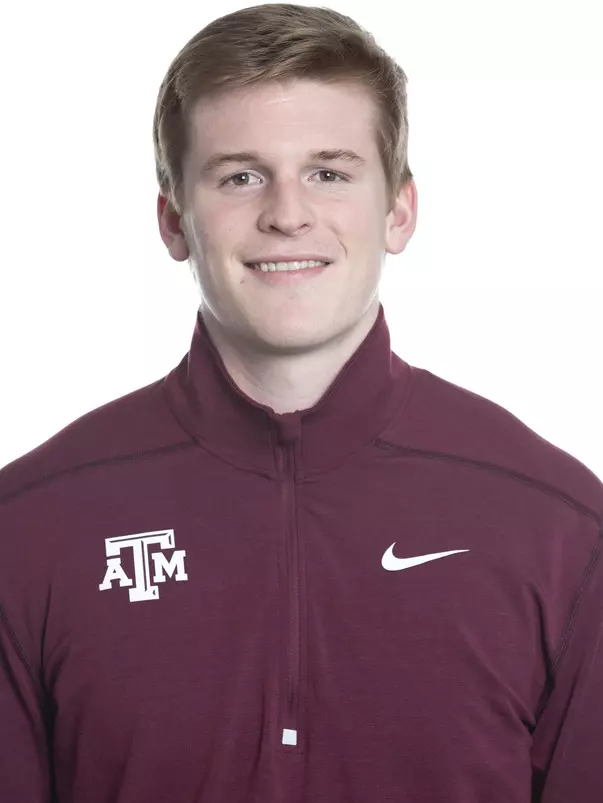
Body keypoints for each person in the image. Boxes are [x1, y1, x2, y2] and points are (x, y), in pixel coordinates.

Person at [1, 3, 602, 801]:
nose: (288, 213)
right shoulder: (30, 525)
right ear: (174, 219)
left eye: (328, 171)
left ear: (398, 210)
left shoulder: (556, 523)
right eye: (241, 175)